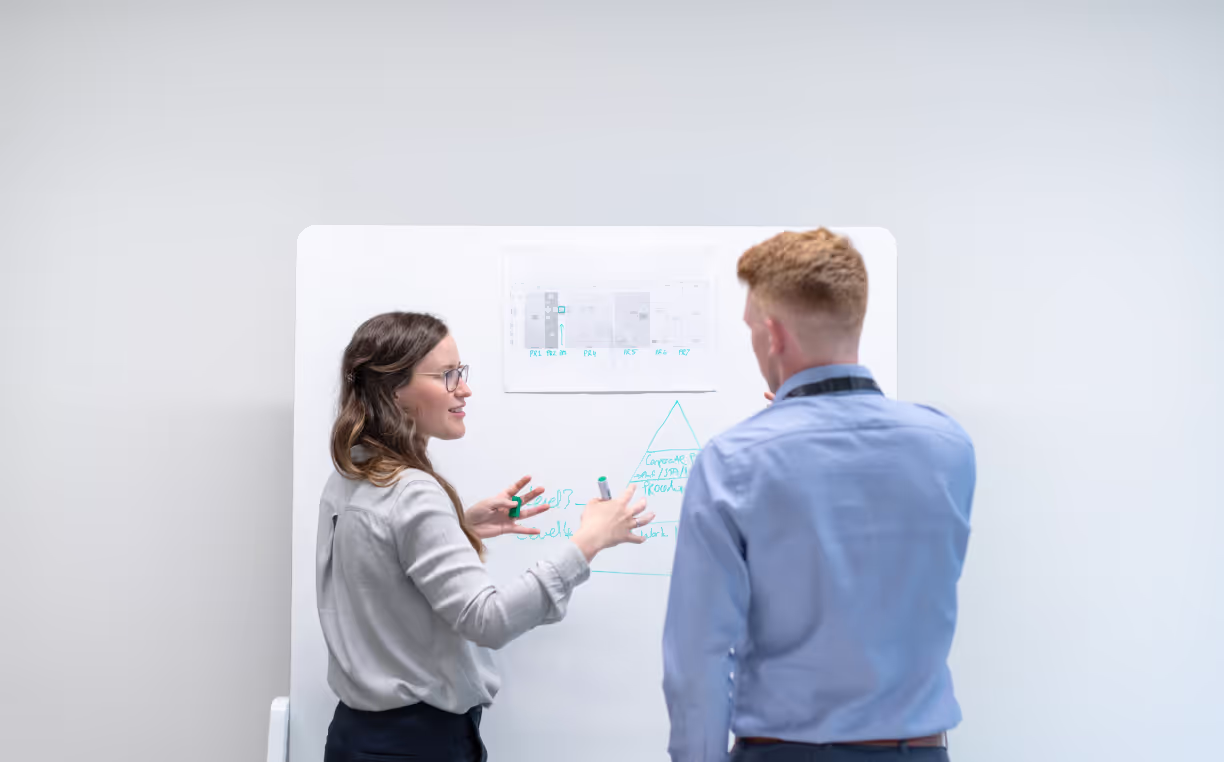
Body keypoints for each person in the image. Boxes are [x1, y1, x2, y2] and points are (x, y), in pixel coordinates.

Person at [662, 229, 975, 762]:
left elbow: (699, 658)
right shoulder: (948, 447)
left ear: (773, 335)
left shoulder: (733, 462)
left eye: (751, 330)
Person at [318, 311, 655, 762]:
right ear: (395, 390)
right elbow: (489, 620)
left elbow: (378, 562)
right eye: (447, 375)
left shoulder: (351, 475)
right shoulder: (413, 493)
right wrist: (589, 541)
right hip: (417, 746)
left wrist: (460, 526)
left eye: (462, 372)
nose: (464, 389)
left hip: (354, 738)